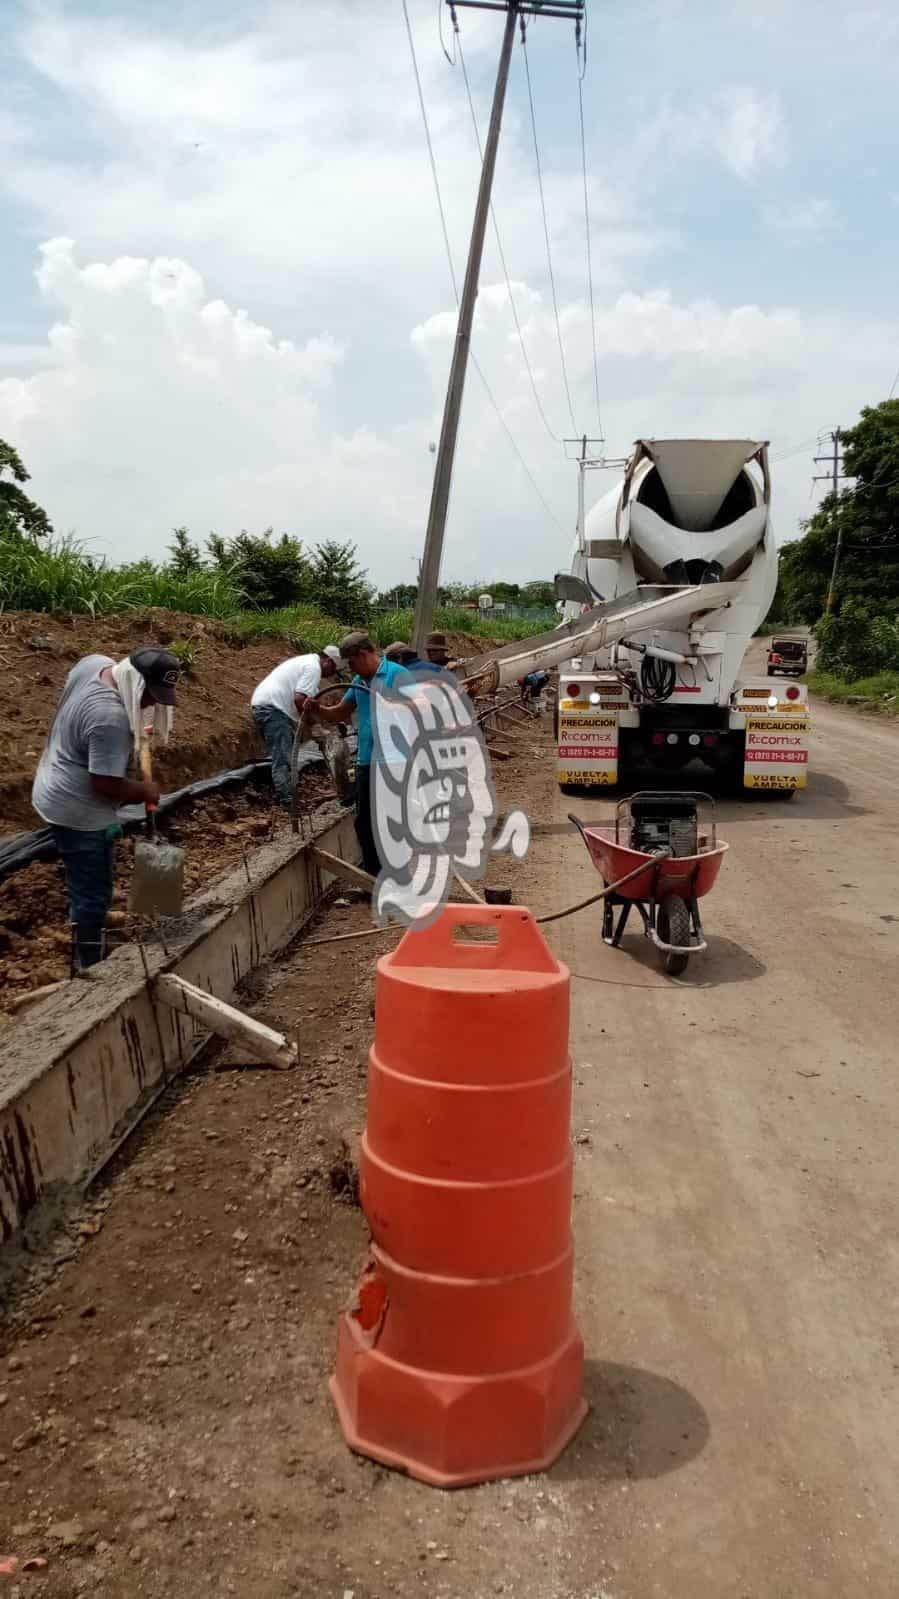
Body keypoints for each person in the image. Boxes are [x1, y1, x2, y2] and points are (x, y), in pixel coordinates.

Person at [31, 647, 181, 970]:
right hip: (76, 807)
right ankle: (89, 961)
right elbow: (107, 785)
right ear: (135, 683)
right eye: (149, 697)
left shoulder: (96, 665)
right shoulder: (109, 717)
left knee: (88, 877)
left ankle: (93, 921)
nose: (152, 704)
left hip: (53, 776)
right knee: (92, 889)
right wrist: (146, 790)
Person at [303, 632, 409, 877]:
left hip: (394, 761)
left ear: (363, 654)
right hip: (367, 761)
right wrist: (317, 708)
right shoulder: (359, 682)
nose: (350, 668)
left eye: (351, 663)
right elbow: (339, 713)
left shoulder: (397, 674)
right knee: (364, 822)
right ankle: (374, 877)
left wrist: (395, 705)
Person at [250, 646, 341, 808]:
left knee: (285, 753)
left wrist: (316, 723)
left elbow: (307, 704)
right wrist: (314, 727)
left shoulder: (306, 662)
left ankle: (288, 796)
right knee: (283, 757)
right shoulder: (313, 668)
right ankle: (287, 803)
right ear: (328, 661)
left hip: (270, 706)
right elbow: (300, 699)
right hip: (273, 708)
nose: (332, 674)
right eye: (333, 668)